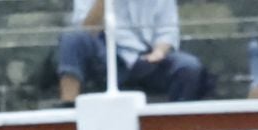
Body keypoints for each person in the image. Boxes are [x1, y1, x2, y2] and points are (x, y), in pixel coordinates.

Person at [57, 0, 208, 104]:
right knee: (71, 39)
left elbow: (168, 30)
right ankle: (68, 108)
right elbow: (86, 29)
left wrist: (159, 52)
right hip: (105, 55)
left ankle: (177, 124)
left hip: (146, 56)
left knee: (188, 66)